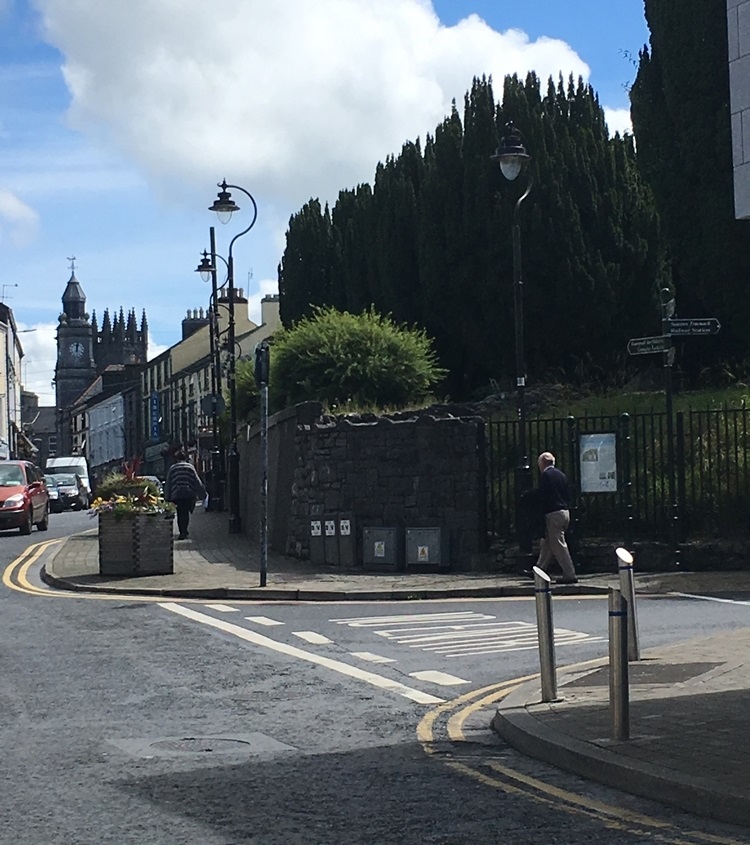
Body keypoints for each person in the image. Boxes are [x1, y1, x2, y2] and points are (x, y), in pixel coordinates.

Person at [535, 451, 578, 584]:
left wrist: (539, 514)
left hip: (553, 514)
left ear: (542, 463)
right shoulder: (561, 475)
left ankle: (570, 574)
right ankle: (538, 570)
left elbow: (543, 497)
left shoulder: (545, 476)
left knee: (558, 545)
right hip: (564, 512)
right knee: (548, 543)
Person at [164, 450, 206, 540]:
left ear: (177, 459)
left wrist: (167, 497)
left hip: (177, 494)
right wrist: (203, 495)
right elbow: (196, 481)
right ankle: (184, 530)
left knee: (180, 512)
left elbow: (169, 483)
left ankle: (182, 531)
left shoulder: (173, 468)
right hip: (188, 493)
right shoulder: (190, 467)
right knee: (186, 513)